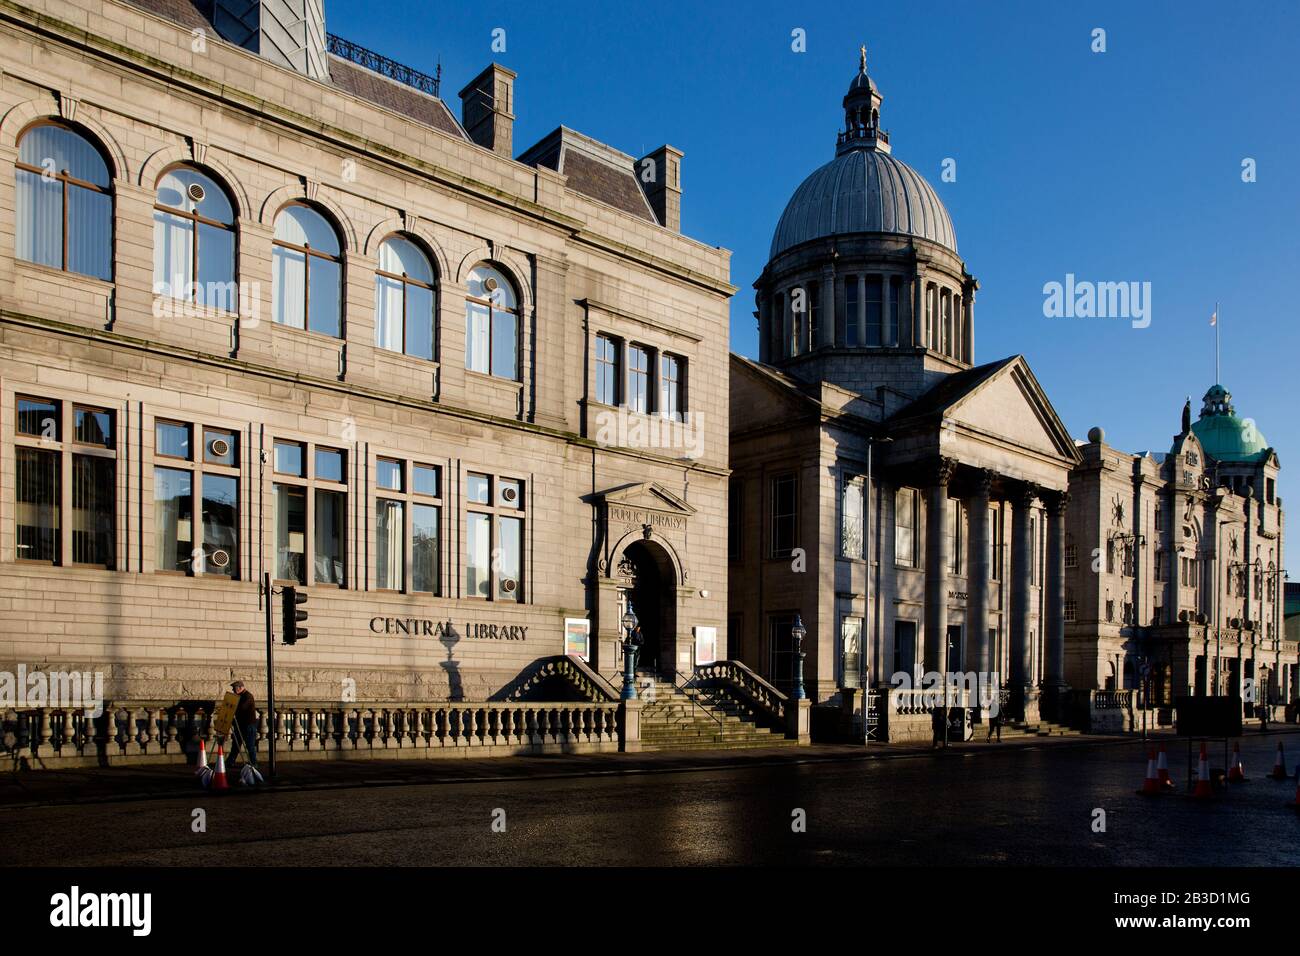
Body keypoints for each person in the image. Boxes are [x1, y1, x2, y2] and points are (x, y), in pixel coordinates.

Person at [226, 680, 259, 767]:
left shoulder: (248, 696)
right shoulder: (241, 696)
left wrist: (230, 707)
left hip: (248, 725)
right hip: (241, 724)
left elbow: (241, 708)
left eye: (234, 689)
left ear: (240, 688)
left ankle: (254, 762)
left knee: (250, 745)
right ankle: (230, 761)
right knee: (236, 744)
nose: (233, 691)